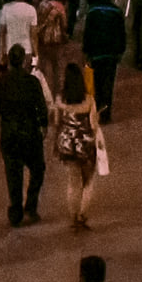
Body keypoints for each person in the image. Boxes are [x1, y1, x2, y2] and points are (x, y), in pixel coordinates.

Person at [0, 44, 49, 226]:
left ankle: (15, 210)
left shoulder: (1, 82)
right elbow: (41, 106)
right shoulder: (31, 82)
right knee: (37, 169)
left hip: (10, 133)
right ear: (24, 61)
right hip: (30, 133)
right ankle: (31, 206)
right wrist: (44, 125)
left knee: (13, 174)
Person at [55, 62, 103, 230]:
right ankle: (83, 215)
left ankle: (73, 217)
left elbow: (56, 121)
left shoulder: (60, 100)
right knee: (88, 181)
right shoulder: (89, 100)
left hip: (67, 144)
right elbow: (93, 125)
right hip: (85, 145)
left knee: (72, 182)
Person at [81, 0, 127, 120]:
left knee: (96, 83)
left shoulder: (93, 10)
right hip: (111, 54)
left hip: (96, 53)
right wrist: (121, 51)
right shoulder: (117, 12)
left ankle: (95, 111)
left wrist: (86, 51)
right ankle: (106, 113)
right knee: (108, 83)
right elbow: (121, 34)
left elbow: (87, 32)